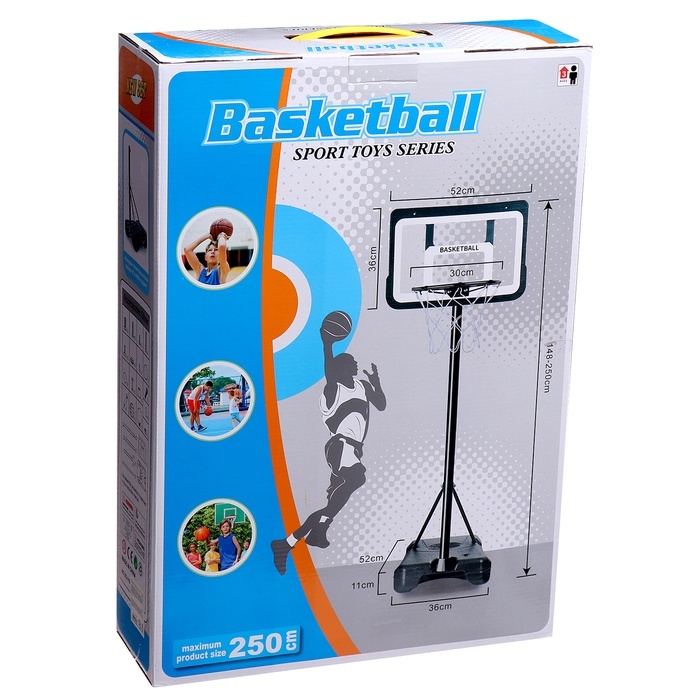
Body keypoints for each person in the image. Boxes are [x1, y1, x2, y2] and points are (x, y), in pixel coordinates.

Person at [271, 316, 386, 575]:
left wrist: (376, 383)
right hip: (340, 446)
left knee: (334, 499)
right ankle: (300, 536)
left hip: (354, 449)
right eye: (350, 361)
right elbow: (330, 369)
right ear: (341, 368)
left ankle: (307, 535)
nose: (355, 363)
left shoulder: (362, 386)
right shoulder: (333, 389)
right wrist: (327, 344)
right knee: (356, 479)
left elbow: (381, 404)